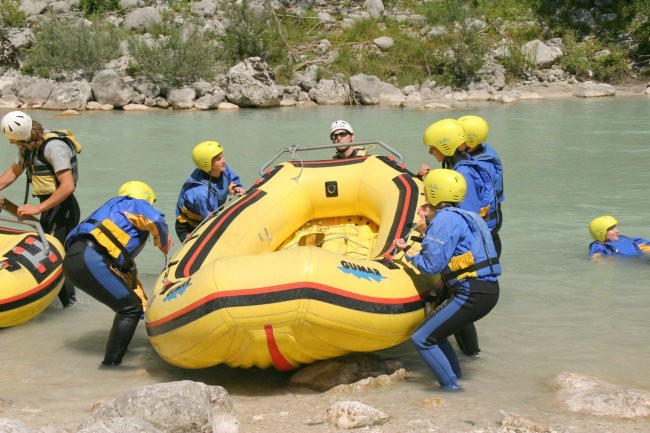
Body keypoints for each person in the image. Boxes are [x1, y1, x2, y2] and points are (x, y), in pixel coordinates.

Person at [394, 168, 500, 391]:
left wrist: (407, 254)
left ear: (434, 193)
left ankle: (452, 391)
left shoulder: (444, 219)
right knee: (437, 335)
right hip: (487, 289)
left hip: (471, 292)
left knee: (422, 338)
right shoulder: (469, 215)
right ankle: (455, 379)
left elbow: (431, 265)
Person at [63, 181, 171, 366]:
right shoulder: (132, 202)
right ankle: (110, 366)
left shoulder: (114, 214)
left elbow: (128, 279)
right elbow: (157, 220)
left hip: (75, 262)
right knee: (130, 310)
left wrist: (146, 309)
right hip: (90, 258)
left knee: (131, 307)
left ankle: (117, 358)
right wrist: (162, 242)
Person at [418, 118, 499, 358]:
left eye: (433, 147)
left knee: (455, 299)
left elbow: (467, 217)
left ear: (445, 146)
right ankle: (470, 357)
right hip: (473, 247)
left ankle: (468, 356)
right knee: (454, 302)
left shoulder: (463, 171)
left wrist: (434, 232)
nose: (430, 152)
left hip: (472, 252)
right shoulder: (456, 165)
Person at [0, 110, 81, 307]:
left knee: (55, 257)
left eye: (14, 139)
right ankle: (54, 303)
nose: (12, 143)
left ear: (25, 134)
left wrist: (37, 209)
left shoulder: (54, 147)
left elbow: (68, 186)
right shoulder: (27, 144)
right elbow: (14, 171)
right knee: (47, 252)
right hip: (48, 209)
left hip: (63, 210)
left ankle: (69, 306)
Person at [175, 140, 245, 241]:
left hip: (206, 213)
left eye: (222, 157)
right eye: (218, 159)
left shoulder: (221, 169)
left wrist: (235, 187)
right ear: (207, 164)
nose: (224, 161)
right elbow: (210, 220)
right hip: (188, 227)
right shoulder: (202, 193)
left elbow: (229, 177)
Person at [457, 115, 504, 256]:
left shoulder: (478, 166)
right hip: (492, 222)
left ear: (468, 140)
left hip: (486, 226)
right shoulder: (484, 151)